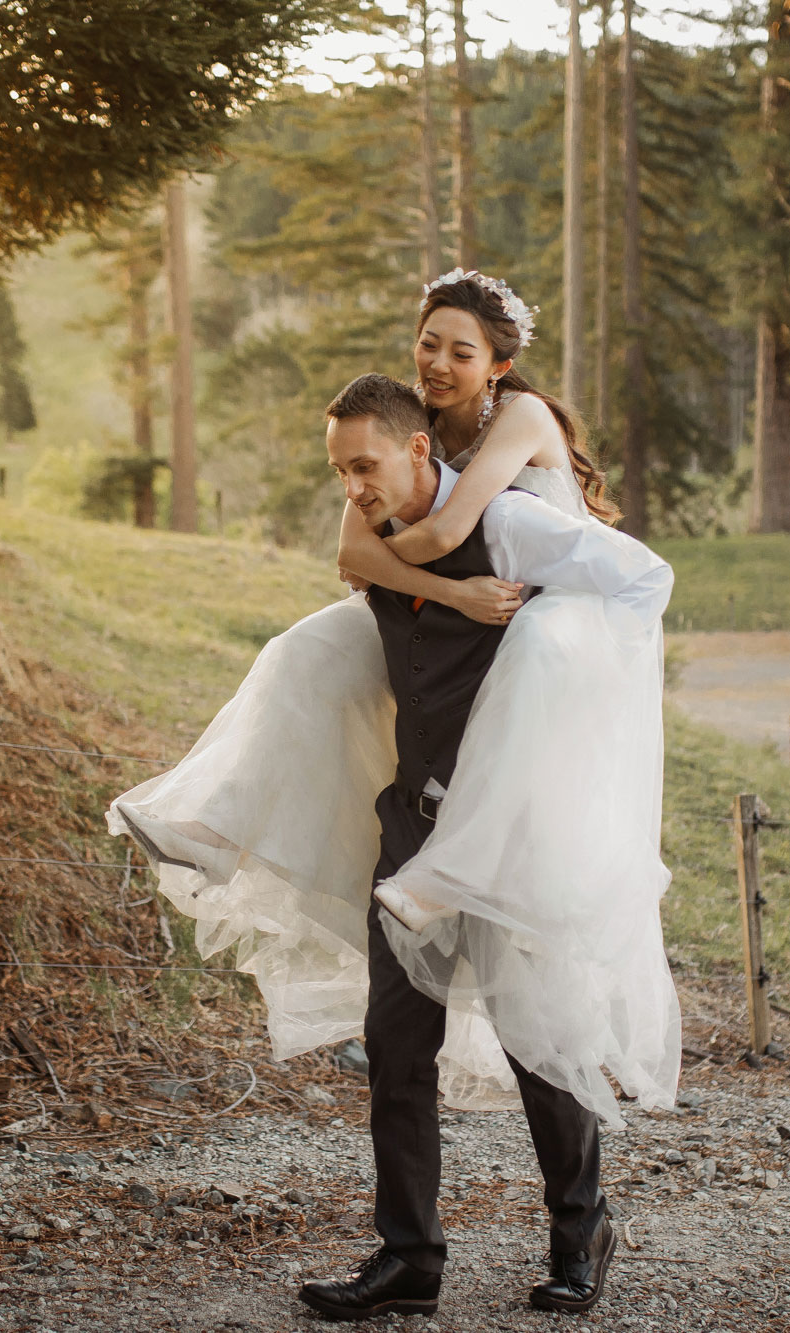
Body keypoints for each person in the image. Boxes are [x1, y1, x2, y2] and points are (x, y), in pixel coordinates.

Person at [109, 270, 679, 1129]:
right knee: (309, 650)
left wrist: (403, 559)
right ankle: (213, 816)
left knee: (535, 1022)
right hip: (456, 629)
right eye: (429, 342)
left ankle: (578, 1223)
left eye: (462, 349)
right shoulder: (395, 427)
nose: (439, 362)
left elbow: (449, 531)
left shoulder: (521, 419)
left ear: (500, 361)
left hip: (556, 622)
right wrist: (430, 584)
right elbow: (354, 555)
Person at [290, 371, 671, 1319]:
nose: (354, 488)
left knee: (538, 1039)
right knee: (394, 1042)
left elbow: (642, 580)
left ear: (420, 448)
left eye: (365, 465)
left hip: (508, 831)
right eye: (339, 471)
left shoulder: (507, 523)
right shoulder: (378, 540)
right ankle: (410, 1256)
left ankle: (582, 1231)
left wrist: (543, 635)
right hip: (412, 826)